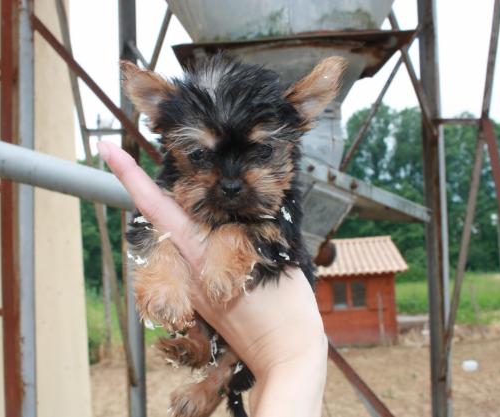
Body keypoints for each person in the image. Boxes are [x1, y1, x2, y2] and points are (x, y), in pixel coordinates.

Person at [98, 141, 328, 417]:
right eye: (199, 155)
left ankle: (214, 379)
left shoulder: (278, 210)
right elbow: (146, 231)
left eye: (262, 152)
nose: (230, 180)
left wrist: (290, 355)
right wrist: (164, 274)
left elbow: (273, 238)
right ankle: (199, 344)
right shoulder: (175, 187)